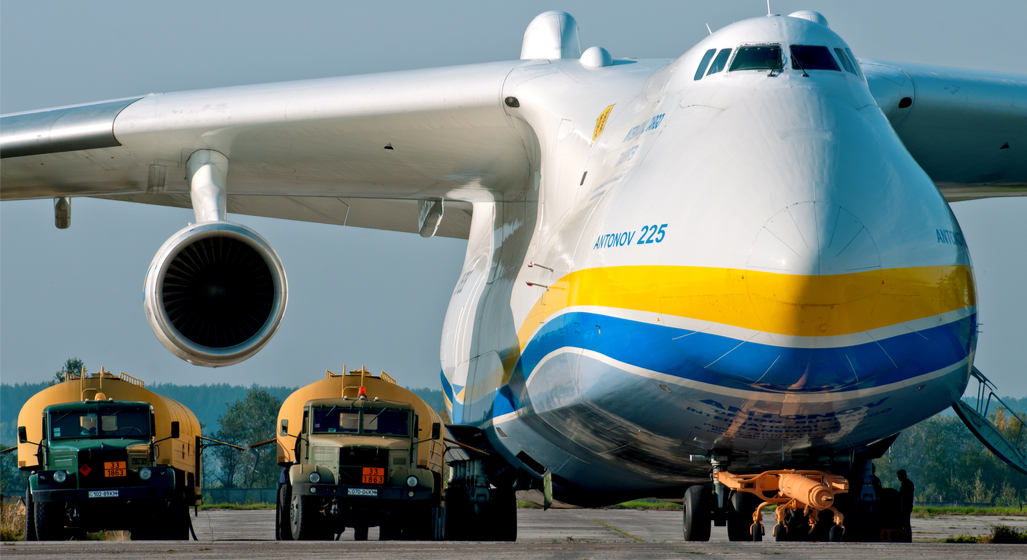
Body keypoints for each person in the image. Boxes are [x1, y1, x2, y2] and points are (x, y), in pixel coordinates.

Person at [897, 469, 915, 542]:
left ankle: (907, 538)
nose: (898, 478)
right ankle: (907, 538)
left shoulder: (906, 484)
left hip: (906, 506)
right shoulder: (908, 483)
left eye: (899, 476)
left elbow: (902, 495)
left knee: (906, 523)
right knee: (906, 523)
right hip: (908, 506)